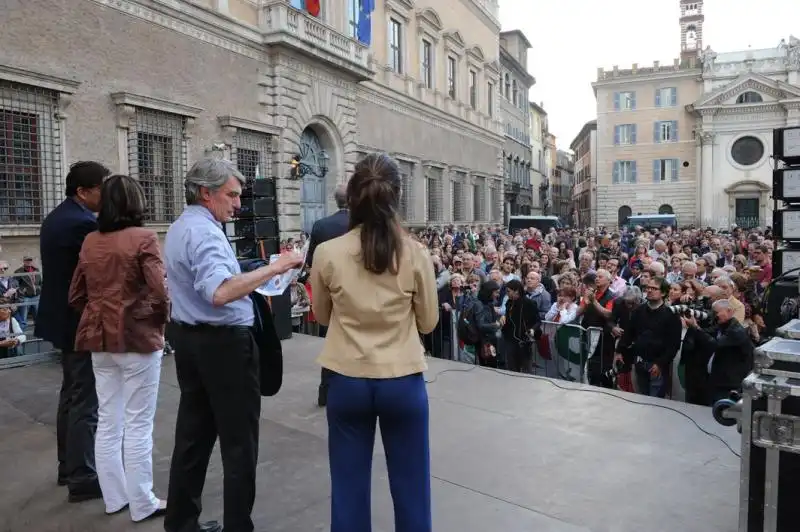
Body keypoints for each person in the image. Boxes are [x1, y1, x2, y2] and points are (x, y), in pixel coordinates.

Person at [163, 158, 302, 532]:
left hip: (191, 340)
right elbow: (220, 292)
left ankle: (180, 522)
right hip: (223, 347)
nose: (239, 203)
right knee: (239, 444)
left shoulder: (180, 227)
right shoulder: (205, 233)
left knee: (193, 437)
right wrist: (275, 269)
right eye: (232, 195)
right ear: (206, 193)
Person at [310, 153, 438, 532]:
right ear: (396, 196)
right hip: (402, 379)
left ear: (352, 198)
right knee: (413, 489)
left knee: (348, 491)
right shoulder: (415, 254)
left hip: (347, 379)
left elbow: (320, 315)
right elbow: (429, 323)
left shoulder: (327, 253)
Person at [68, 175, 169, 521]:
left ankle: (115, 498)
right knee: (138, 424)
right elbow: (160, 292)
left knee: (110, 421)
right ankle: (142, 503)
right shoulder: (144, 238)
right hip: (138, 338)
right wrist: (157, 322)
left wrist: (100, 312)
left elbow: (76, 295)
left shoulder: (90, 241)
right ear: (136, 203)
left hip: (99, 339)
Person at [37, 160, 109, 501]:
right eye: (102, 189)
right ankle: (82, 476)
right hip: (77, 321)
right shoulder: (81, 224)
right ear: (83, 191)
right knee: (85, 399)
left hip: (60, 318)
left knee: (71, 394)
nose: (106, 196)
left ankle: (69, 467)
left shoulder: (58, 216)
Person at [304, 184, 349, 407]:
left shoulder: (321, 225)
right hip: (355, 294)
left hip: (329, 293)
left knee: (332, 344)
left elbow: (312, 262)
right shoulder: (362, 225)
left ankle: (325, 393)